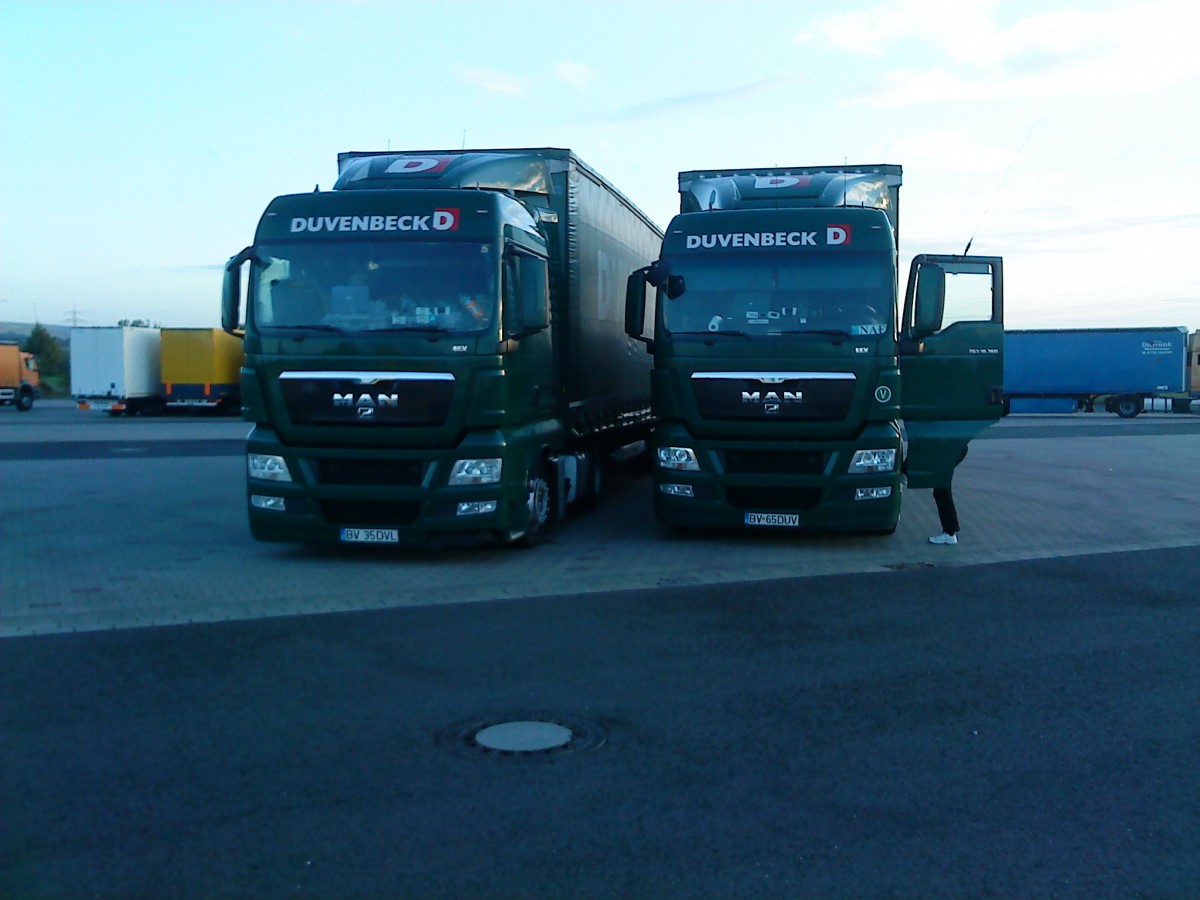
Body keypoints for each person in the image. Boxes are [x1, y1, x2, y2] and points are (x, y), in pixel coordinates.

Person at [929, 446, 968, 545]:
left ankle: (950, 533)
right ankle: (949, 532)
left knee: (942, 490)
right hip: (952, 449)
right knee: (941, 490)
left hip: (950, 450)